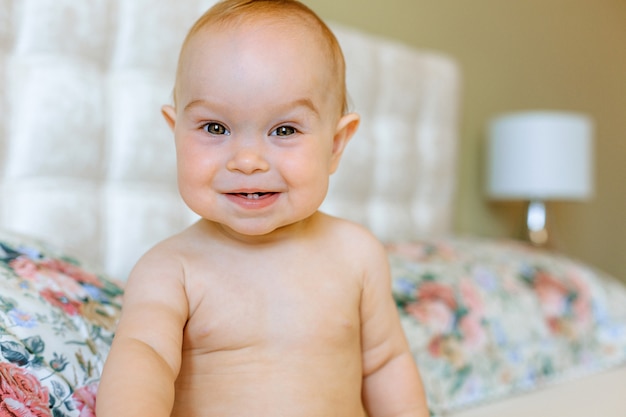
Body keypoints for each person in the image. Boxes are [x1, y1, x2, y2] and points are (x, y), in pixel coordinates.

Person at [96, 1, 429, 416]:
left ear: (335, 145)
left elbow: (386, 363)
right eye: (215, 128)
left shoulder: (357, 255)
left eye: (284, 129)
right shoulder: (170, 269)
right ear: (176, 132)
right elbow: (143, 360)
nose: (248, 160)